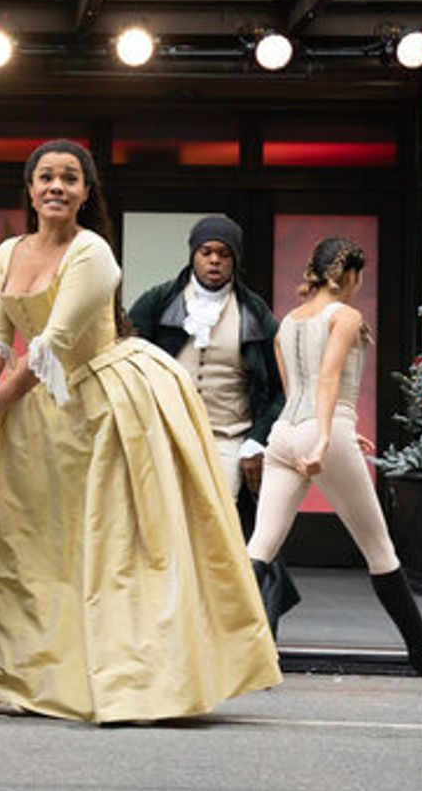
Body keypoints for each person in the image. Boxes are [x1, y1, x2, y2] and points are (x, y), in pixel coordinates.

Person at [0, 139, 281, 724]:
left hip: (105, 402)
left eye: (69, 179)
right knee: (36, 546)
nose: (56, 186)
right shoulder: (6, 253)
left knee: (117, 546)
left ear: (85, 192)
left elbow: (53, 339)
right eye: (45, 177)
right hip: (38, 415)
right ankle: (35, 677)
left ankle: (135, 679)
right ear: (29, 190)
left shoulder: (93, 251)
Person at [245, 237, 422, 677]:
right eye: (358, 278)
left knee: (261, 546)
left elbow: (297, 389)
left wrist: (325, 430)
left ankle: (225, 646)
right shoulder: (345, 316)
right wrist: (329, 435)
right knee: (378, 546)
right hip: (322, 433)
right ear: (348, 275)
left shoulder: (288, 321)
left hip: (284, 434)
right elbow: (327, 378)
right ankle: (421, 647)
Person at [128, 215, 300, 634]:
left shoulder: (256, 315)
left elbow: (282, 390)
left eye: (223, 254)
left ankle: (221, 624)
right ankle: (162, 622)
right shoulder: (158, 301)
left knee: (215, 528)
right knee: (160, 525)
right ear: (193, 255)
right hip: (167, 432)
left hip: (229, 437)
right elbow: (126, 357)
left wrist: (256, 441)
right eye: (206, 252)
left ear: (235, 261)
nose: (214, 261)